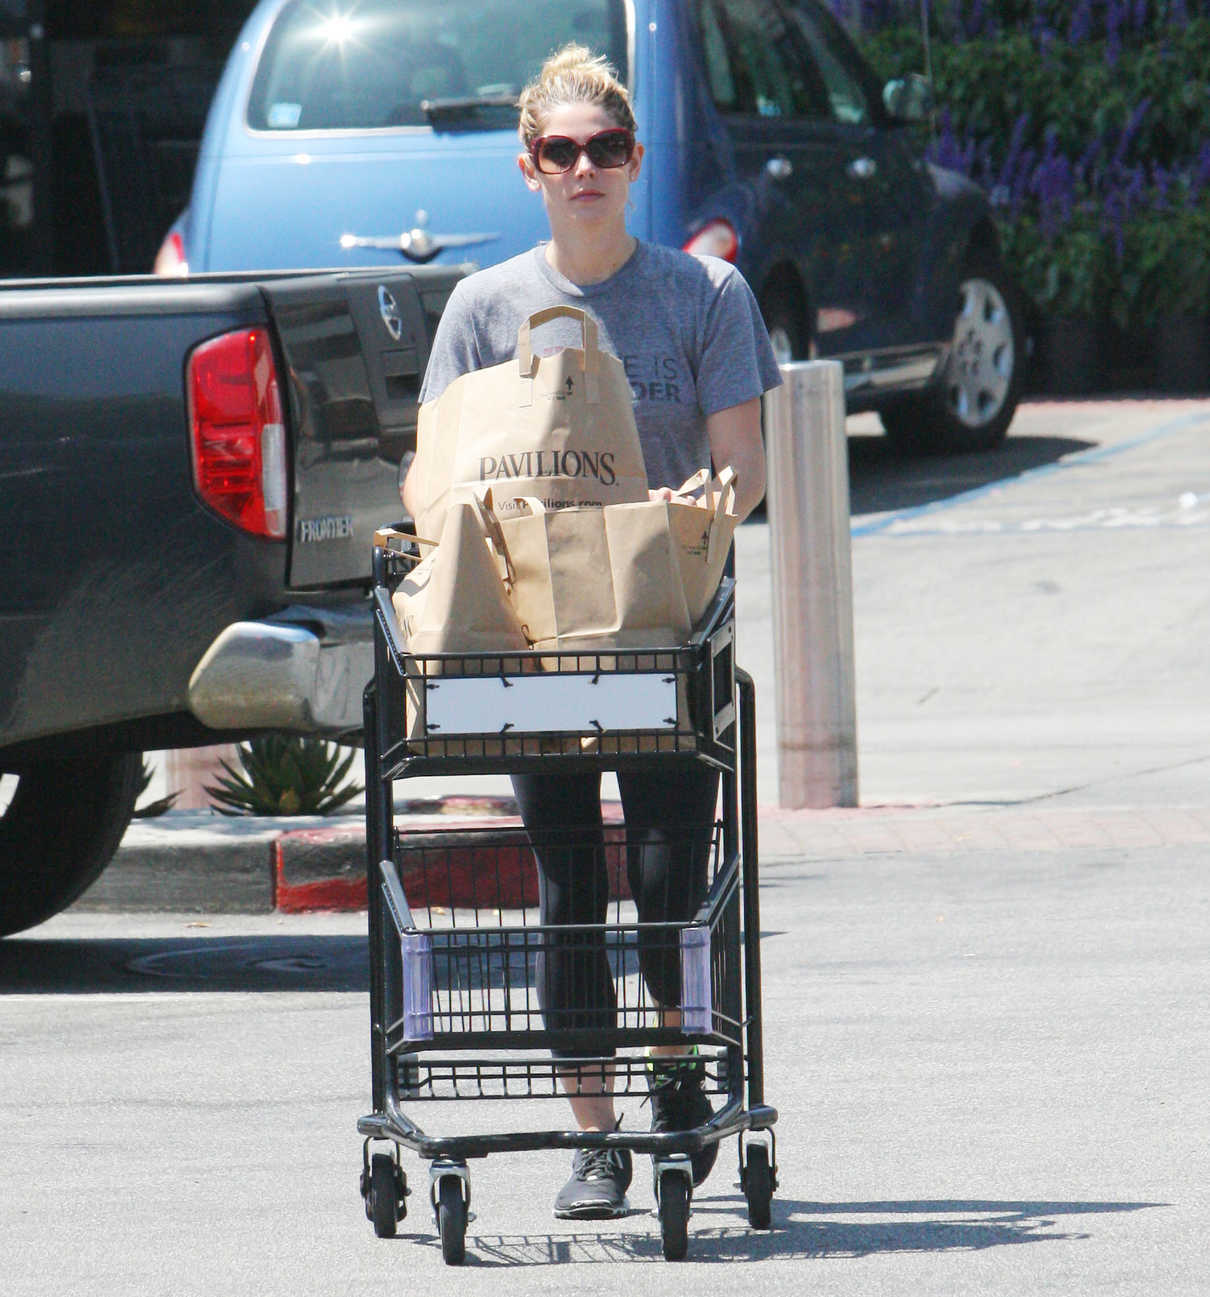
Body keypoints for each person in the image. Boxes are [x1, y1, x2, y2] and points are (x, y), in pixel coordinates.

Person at [402, 43, 780, 1220]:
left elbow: (745, 472)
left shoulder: (703, 298)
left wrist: (680, 518)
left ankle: (676, 1083)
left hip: (660, 625)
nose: (583, 171)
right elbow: (435, 475)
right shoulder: (484, 308)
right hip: (530, 637)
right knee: (568, 879)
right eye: (559, 153)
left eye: (604, 150)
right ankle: (595, 1138)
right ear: (528, 168)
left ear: (636, 160)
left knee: (670, 876)